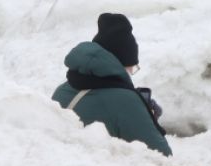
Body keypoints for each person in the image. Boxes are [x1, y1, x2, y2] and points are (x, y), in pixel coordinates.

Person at [52, 13, 172, 156]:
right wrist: (146, 117)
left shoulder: (61, 91)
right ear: (119, 64)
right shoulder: (126, 102)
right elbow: (162, 155)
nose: (131, 73)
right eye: (131, 67)